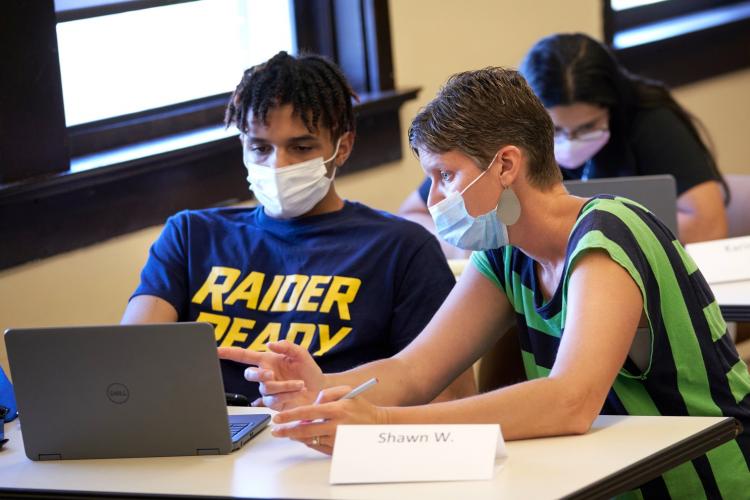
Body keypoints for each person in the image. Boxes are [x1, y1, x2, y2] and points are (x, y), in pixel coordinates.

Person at [221, 67, 750, 498]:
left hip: (707, 477)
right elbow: (415, 369)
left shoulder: (609, 230)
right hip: (612, 476)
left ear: (505, 166)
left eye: (444, 175)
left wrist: (377, 421)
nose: (432, 200)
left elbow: (569, 400)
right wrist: (325, 390)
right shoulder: (503, 252)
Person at [121, 51, 476, 404]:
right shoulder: (189, 236)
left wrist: (327, 402)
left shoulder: (401, 249)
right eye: (259, 147)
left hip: (331, 439)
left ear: (343, 147)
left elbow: (450, 401)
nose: (278, 164)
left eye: (302, 147)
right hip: (209, 439)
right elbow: (123, 365)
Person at [400, 33, 729, 246]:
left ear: (611, 107)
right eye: (555, 131)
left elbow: (709, 225)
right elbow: (413, 215)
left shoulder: (650, 121)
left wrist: (577, 235)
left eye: (587, 128)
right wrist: (461, 239)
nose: (570, 142)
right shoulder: (502, 143)